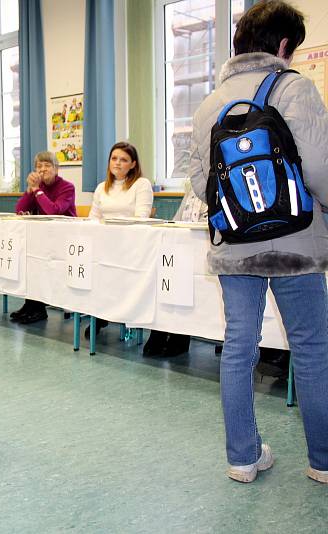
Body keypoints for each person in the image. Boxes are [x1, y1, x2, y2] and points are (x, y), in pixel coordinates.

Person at [189, 1, 328, 484]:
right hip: (297, 241)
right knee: (311, 349)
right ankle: (324, 462)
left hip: (234, 246)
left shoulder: (210, 102)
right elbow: (320, 170)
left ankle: (243, 459)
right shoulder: (296, 88)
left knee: (238, 346)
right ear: (284, 45)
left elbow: (199, 182)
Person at [87, 142, 153, 337]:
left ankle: (125, 316)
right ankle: (99, 315)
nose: (117, 163)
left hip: (131, 247)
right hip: (105, 245)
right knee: (95, 270)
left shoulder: (141, 185)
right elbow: (93, 217)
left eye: (123, 160)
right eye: (114, 159)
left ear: (133, 164)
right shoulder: (101, 187)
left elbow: (142, 217)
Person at [10, 151, 77, 324]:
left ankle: (38, 307)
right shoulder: (38, 187)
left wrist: (38, 191)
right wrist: (29, 190)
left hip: (65, 239)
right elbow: (19, 209)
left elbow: (53, 211)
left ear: (56, 169)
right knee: (28, 258)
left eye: (47, 165)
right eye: (39, 166)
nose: (42, 170)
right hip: (44, 238)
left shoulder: (67, 187)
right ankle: (31, 304)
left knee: (38, 260)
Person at [143, 181, 207, 357]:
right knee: (163, 271)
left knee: (183, 276)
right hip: (185, 248)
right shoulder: (193, 190)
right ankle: (160, 330)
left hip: (206, 249)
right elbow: (177, 221)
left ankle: (180, 335)